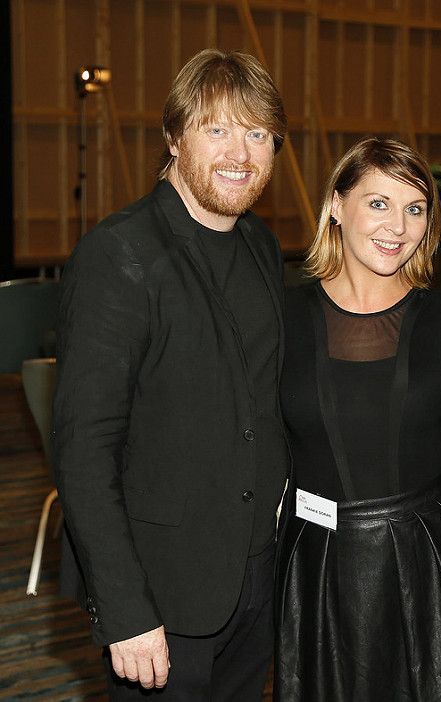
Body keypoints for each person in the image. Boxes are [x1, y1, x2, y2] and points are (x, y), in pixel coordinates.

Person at [53, 49, 290, 700]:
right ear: (175, 137)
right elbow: (83, 451)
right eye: (217, 129)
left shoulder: (261, 246)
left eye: (258, 134)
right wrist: (125, 610)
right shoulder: (120, 254)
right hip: (161, 599)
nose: (239, 152)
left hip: (252, 583)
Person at [274, 137, 441, 700]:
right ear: (337, 205)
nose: (398, 226)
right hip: (311, 570)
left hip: (423, 574)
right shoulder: (281, 316)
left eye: (415, 208)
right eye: (378, 203)